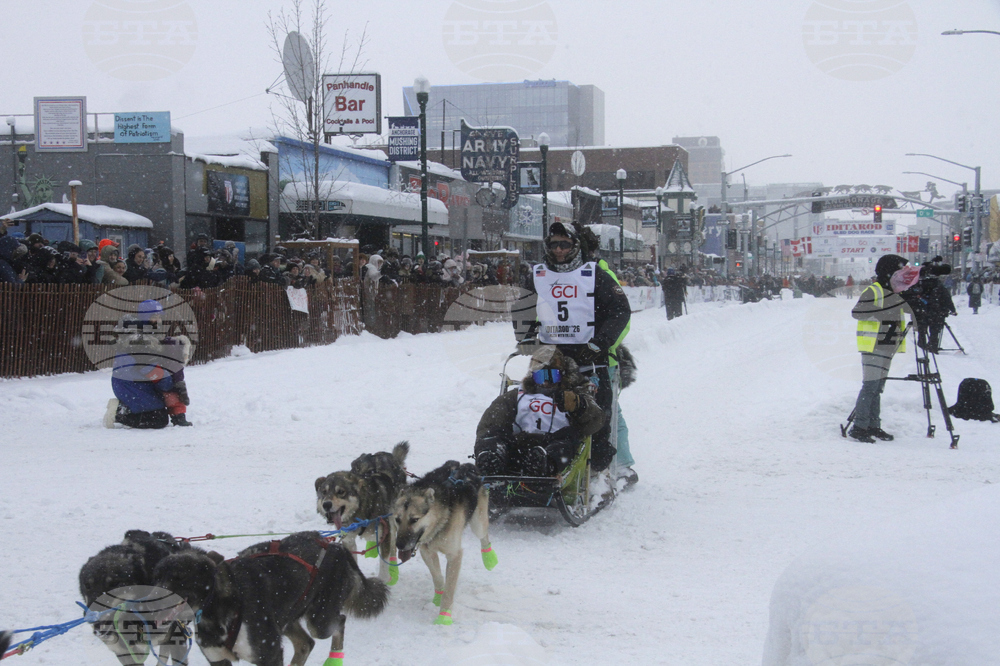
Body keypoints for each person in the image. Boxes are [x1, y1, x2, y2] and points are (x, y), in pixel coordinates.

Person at [521, 222, 631, 476]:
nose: (559, 250)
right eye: (553, 244)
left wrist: (600, 343)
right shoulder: (537, 275)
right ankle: (543, 457)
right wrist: (526, 337)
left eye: (565, 244)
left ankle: (600, 467)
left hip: (590, 358)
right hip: (552, 358)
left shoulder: (595, 274)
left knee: (597, 413)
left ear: (576, 245)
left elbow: (620, 312)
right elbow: (523, 309)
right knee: (543, 405)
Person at [475, 345, 604, 476]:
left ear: (562, 375)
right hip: (517, 445)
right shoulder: (518, 395)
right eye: (541, 376)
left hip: (554, 443)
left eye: (552, 376)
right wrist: (490, 441)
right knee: (495, 431)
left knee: (569, 436)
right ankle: (492, 456)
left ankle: (544, 462)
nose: (546, 382)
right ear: (533, 376)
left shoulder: (573, 395)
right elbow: (490, 422)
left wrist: (579, 405)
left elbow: (596, 420)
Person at [848, 254, 917, 443]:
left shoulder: (895, 292)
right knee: (870, 386)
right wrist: (883, 311)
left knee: (878, 388)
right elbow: (857, 313)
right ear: (889, 272)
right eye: (899, 270)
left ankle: (873, 425)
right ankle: (859, 427)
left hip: (888, 344)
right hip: (873, 345)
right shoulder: (875, 290)